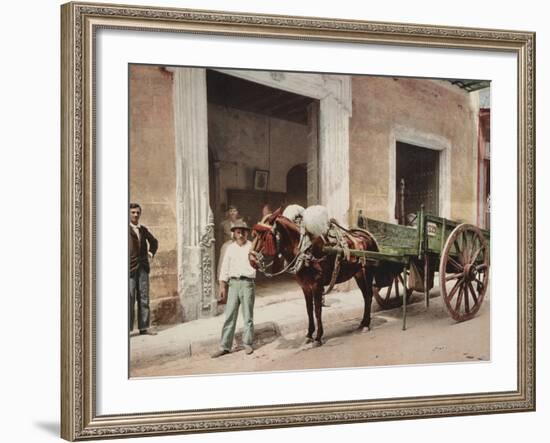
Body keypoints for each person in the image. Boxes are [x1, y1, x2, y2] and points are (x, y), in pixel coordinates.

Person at [211, 220, 256, 358]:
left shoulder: (252, 246)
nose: (241, 234)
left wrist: (257, 259)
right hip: (233, 284)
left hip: (247, 283)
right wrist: (222, 286)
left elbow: (259, 263)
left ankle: (248, 343)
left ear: (247, 233)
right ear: (234, 234)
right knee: (230, 315)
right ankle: (225, 346)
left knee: (248, 316)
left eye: (243, 231)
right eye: (238, 232)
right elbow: (225, 267)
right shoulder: (230, 248)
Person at [129, 203, 159, 335]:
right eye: (133, 212)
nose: (135, 215)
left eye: (137, 212)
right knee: (128, 298)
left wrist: (150, 253)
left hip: (143, 268)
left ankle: (144, 327)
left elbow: (154, 242)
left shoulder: (143, 230)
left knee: (144, 297)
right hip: (129, 269)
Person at [217, 205, 242, 279]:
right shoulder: (223, 224)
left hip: (238, 245)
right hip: (227, 246)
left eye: (234, 211)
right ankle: (224, 279)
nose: (232, 213)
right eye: (231, 211)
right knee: (225, 263)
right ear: (228, 213)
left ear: (237, 212)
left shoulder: (241, 224)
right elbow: (220, 238)